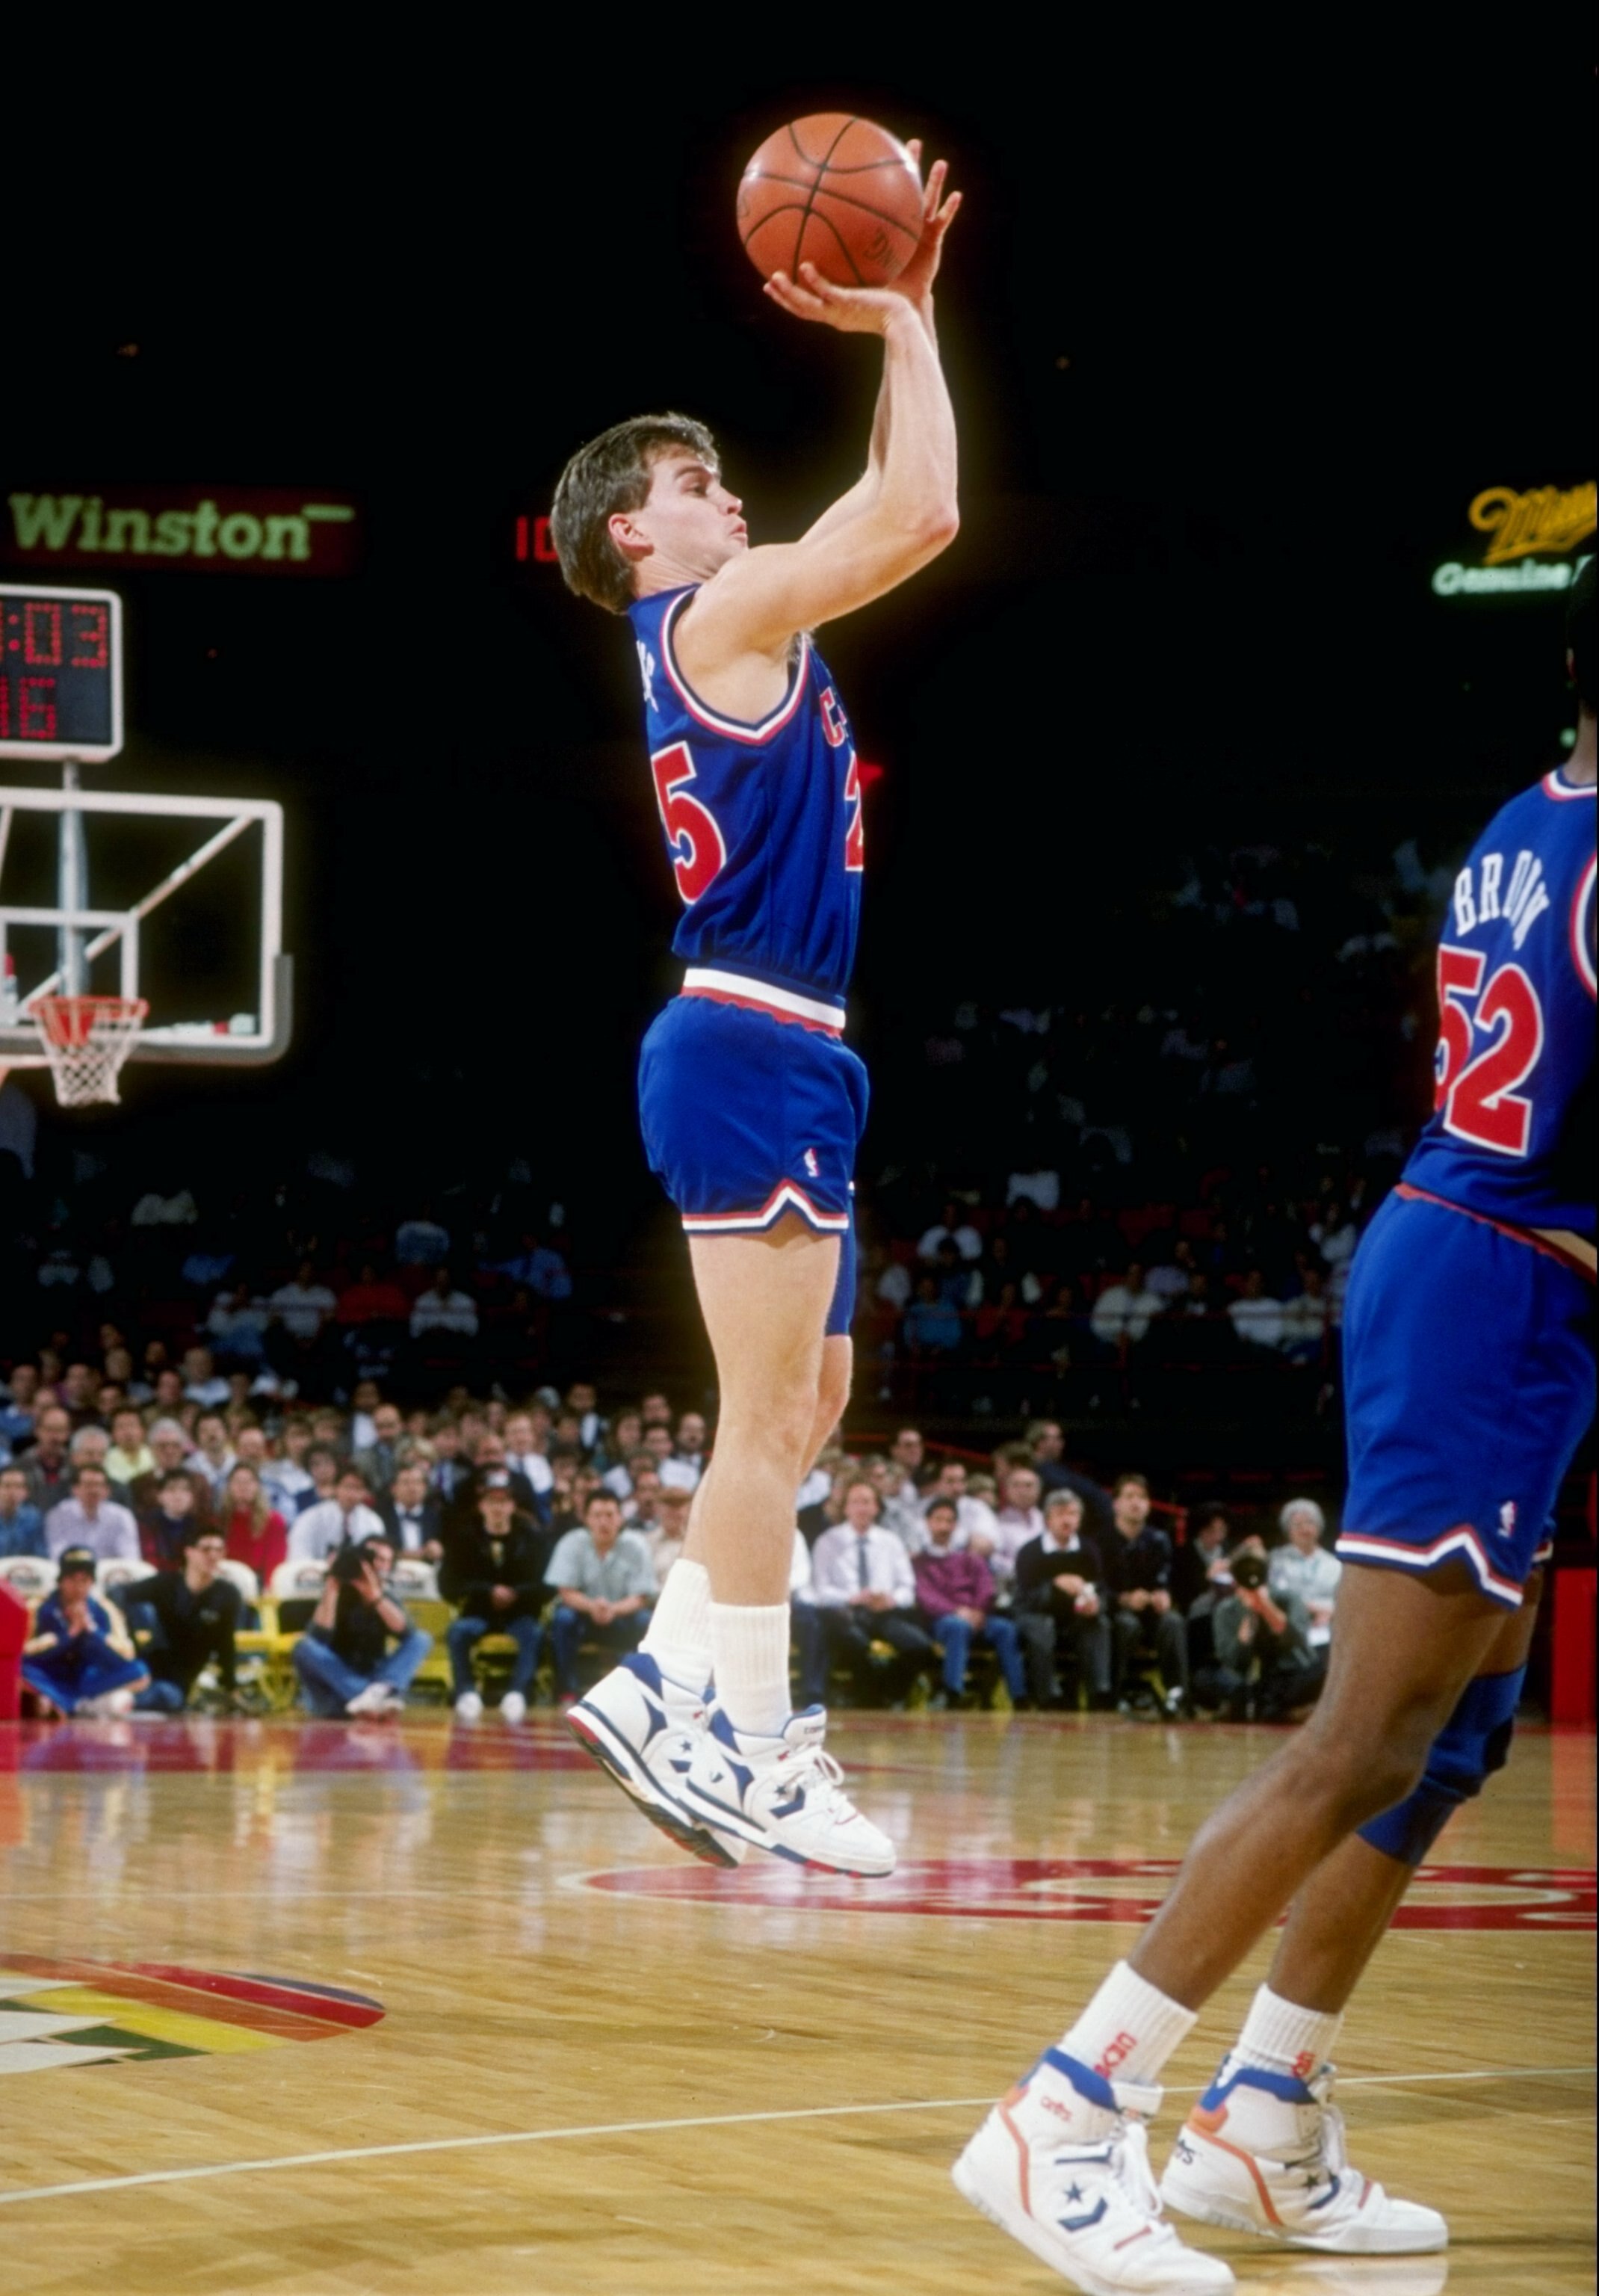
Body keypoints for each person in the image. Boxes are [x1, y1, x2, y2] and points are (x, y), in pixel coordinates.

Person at [953, 567, 1598, 2289]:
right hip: (1492, 1279)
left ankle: (1261, 2107)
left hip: (1491, 1271)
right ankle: (1067, 2104)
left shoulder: (1528, 812)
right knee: (1349, 1734)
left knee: (1441, 1736)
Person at [552, 149, 959, 1878]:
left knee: (813, 1395)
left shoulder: (720, 620)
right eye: (689, 477)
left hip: (791, 1038)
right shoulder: (708, 608)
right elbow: (922, 513)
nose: (721, 489)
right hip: (747, 1033)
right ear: (633, 530)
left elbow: (887, 497)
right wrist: (910, 314)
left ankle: (669, 1672)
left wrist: (901, 335)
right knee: (757, 1415)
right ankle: (725, 1721)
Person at [808, 1479, 937, 1708]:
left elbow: (907, 1587)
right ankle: (868, 1700)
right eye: (855, 1502)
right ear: (846, 1508)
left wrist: (891, 1599)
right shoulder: (828, 1542)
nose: (862, 1508)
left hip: (884, 1612)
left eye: (867, 1502)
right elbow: (820, 1591)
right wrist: (852, 1597)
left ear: (877, 1508)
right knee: (857, 1644)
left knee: (919, 1646)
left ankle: (888, 1693)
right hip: (845, 1613)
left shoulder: (891, 1541)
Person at [441, 1481, 554, 1723]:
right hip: (478, 1611)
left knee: (533, 1634)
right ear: (482, 1506)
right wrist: (487, 1591)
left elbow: (547, 1585)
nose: (498, 1508)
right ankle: (466, 1691)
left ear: (512, 1506)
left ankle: (518, 1692)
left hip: (521, 1612)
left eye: (503, 1502)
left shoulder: (533, 1538)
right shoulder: (464, 1538)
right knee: (458, 1632)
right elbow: (448, 1585)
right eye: (492, 1502)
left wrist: (516, 1593)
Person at [291, 1535, 432, 1717]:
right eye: (370, 1557)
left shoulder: (386, 1597)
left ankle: (377, 1692)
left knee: (422, 1639)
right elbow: (319, 1637)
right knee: (303, 1647)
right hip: (335, 1691)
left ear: (390, 1567)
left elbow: (407, 1634)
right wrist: (333, 1584)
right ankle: (368, 1695)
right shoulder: (338, 1593)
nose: (375, 1564)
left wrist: (375, 1597)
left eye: (383, 1560)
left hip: (374, 1676)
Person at [913, 1495, 1025, 1709]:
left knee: (1006, 1629)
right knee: (957, 1627)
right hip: (942, 1620)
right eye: (939, 1520)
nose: (944, 1526)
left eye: (949, 1521)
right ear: (928, 1523)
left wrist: (978, 1611)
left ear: (956, 1525)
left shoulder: (970, 1559)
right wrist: (957, 1611)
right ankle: (953, 1692)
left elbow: (985, 1586)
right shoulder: (920, 1562)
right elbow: (926, 1596)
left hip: (978, 1616)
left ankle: (1019, 1696)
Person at [545, 1490, 655, 1706]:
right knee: (562, 1619)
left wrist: (613, 1609)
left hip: (622, 1616)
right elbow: (565, 1591)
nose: (604, 1522)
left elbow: (641, 1596)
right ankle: (566, 1689)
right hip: (583, 1616)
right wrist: (592, 1606)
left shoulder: (637, 1545)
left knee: (646, 1620)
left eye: (610, 1515)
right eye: (597, 1515)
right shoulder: (571, 1542)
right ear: (586, 1518)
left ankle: (637, 1692)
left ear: (620, 1518)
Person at [1193, 1546, 1326, 1722]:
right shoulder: (1226, 1609)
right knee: (1205, 1677)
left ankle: (1277, 1706)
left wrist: (1266, 1606)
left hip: (1286, 1674)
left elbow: (1297, 1643)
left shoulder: (1289, 1599)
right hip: (1244, 1678)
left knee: (1323, 1668)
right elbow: (1230, 1661)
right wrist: (1247, 1620)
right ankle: (1265, 1706)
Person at [123, 1526, 243, 1713]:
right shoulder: (165, 1584)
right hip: (143, 1667)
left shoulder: (227, 1594)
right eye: (206, 1549)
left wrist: (231, 1687)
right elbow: (119, 1595)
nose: (213, 1556)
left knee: (167, 1697)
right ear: (189, 1552)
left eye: (218, 1550)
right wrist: (131, 1640)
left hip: (176, 1682)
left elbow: (226, 1644)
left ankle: (117, 1702)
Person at [22, 1546, 151, 1718]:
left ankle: (73, 1703)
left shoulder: (104, 1609)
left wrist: (93, 1632)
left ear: (92, 1583)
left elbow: (125, 1654)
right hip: (51, 1677)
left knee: (140, 1671)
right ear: (61, 1581)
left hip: (88, 1680)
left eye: (85, 1580)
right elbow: (23, 1651)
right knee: (20, 1670)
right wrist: (68, 1635)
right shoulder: (38, 1607)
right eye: (72, 1580)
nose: (78, 1587)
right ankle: (65, 1702)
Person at [1012, 1488, 1113, 1710]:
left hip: (1073, 1615)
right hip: (1035, 1614)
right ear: (1048, 1519)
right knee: (1043, 1627)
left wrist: (1095, 1603)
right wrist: (1055, 1586)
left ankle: (1100, 1691)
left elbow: (1101, 1588)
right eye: (1060, 1514)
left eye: (1073, 1514)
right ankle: (1048, 1695)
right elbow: (1025, 1598)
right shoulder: (1030, 1552)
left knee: (1099, 1624)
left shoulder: (1089, 1550)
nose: (1067, 1520)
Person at [1101, 1472, 1188, 1718]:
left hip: (1150, 1610)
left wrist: (1164, 1595)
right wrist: (1123, 1599)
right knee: (1126, 1625)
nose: (1136, 1502)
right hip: (1116, 1609)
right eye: (1129, 1496)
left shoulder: (1159, 1539)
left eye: (1141, 1497)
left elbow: (1167, 1577)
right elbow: (1097, 1585)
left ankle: (1177, 1694)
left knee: (1173, 1622)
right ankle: (1116, 1694)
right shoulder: (1103, 1540)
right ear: (1116, 1504)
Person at [1268, 1496, 1342, 1648]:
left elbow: (1343, 1600)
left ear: (1319, 1527)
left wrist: (1331, 1615)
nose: (1304, 1529)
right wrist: (1313, 1610)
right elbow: (1275, 1597)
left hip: (1329, 1630)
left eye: (1310, 1523)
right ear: (1288, 1530)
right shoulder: (1276, 1561)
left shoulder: (1335, 1564)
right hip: (1289, 1632)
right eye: (1297, 1525)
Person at [44, 1463, 140, 1563]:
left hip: (110, 1574)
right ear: (75, 1490)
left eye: (98, 1485)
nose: (94, 1490)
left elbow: (130, 1557)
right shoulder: (58, 1515)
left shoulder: (122, 1516)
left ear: (107, 1491)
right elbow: (57, 1555)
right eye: (88, 1485)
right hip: (72, 1571)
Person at [288, 1466, 386, 1564]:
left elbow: (377, 1560)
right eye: (348, 1487)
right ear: (336, 1488)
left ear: (365, 1493)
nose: (352, 1494)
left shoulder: (373, 1521)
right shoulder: (311, 1518)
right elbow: (299, 1556)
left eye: (358, 1488)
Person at [221, 1462, 289, 1586]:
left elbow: (275, 1562)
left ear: (258, 1486)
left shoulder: (274, 1521)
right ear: (229, 1486)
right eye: (238, 1482)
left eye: (249, 1482)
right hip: (225, 1581)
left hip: (260, 1583)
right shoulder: (219, 1521)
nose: (243, 1486)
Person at [378, 1460, 445, 1562]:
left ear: (425, 1488)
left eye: (417, 1483)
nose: (412, 1488)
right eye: (406, 1483)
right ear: (394, 1488)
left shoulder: (437, 1517)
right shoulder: (381, 1516)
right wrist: (408, 1555)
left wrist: (439, 1551)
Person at [0, 1463, 46, 1558]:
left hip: (23, 1569)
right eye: (7, 1486)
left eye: (18, 1486)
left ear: (26, 1492)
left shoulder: (33, 1517)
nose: (12, 1491)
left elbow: (40, 1554)